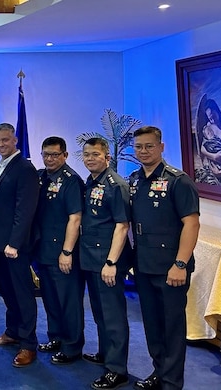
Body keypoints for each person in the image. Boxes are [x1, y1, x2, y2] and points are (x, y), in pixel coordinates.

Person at [129, 126, 199, 390]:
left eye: (148, 146)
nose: (143, 151)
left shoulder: (178, 181)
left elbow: (191, 224)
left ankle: (171, 381)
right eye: (138, 147)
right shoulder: (135, 179)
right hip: (144, 264)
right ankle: (158, 371)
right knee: (152, 323)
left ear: (161, 147)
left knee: (171, 326)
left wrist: (180, 264)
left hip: (171, 267)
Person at [80, 137, 132, 390]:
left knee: (113, 316)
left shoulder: (116, 185)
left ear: (107, 157)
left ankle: (117, 369)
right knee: (100, 312)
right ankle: (105, 353)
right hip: (92, 258)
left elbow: (122, 226)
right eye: (87, 154)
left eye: (95, 154)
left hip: (108, 261)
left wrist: (111, 262)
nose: (90, 158)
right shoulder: (92, 181)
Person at [0, 123, 40, 368]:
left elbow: (25, 210)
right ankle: (13, 332)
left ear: (15, 140)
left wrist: (14, 243)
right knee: (8, 292)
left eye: (5, 140)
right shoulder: (2, 165)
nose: (0, 145)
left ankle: (28, 344)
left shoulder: (25, 168)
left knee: (23, 295)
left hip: (13, 247)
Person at [33, 136, 86, 364]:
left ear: (64, 155)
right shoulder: (39, 177)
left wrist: (67, 252)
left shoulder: (71, 180)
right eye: (46, 154)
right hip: (42, 251)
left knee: (69, 301)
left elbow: (75, 219)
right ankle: (56, 337)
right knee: (50, 298)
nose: (50, 159)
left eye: (55, 154)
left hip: (62, 253)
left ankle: (72, 346)